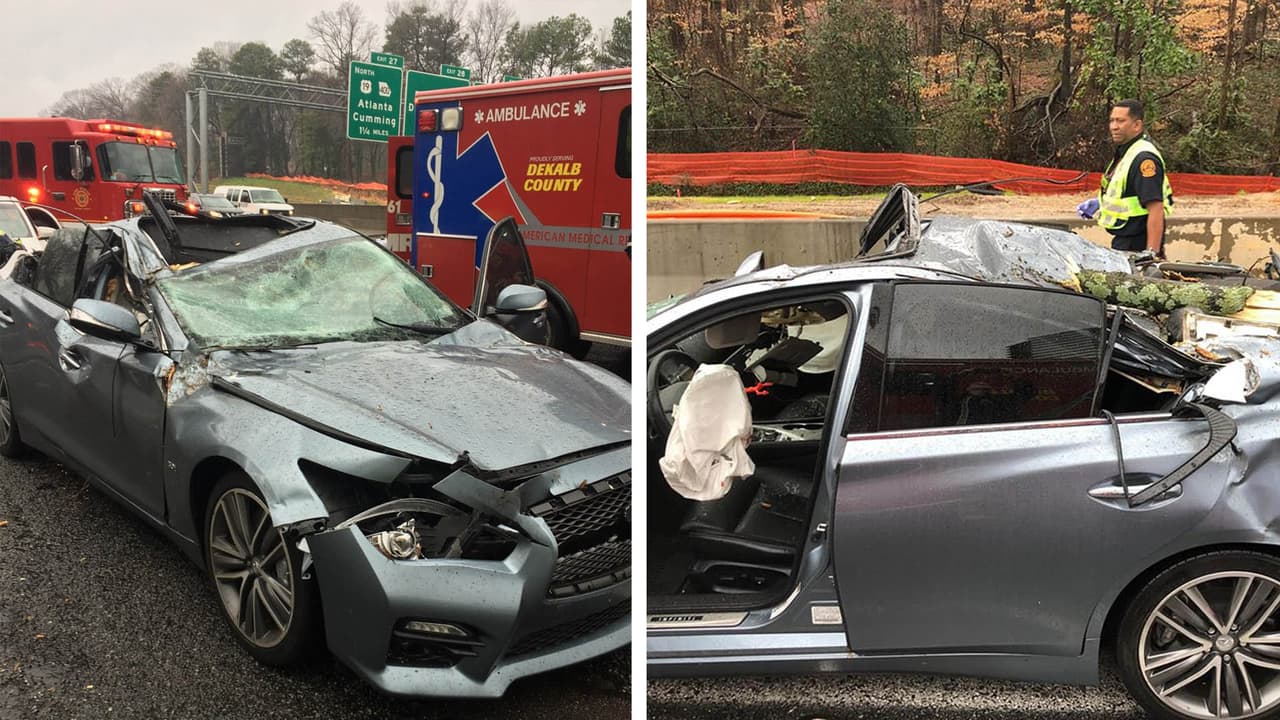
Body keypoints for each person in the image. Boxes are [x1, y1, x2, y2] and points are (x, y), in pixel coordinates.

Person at [1076, 99, 1174, 256]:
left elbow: (1156, 208)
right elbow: (1126, 195)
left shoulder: (1144, 159)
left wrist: (1151, 254)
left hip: (1138, 243)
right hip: (1125, 239)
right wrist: (1101, 203)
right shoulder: (1127, 152)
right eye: (1112, 120)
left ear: (1137, 125)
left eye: (1121, 121)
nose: (1114, 126)